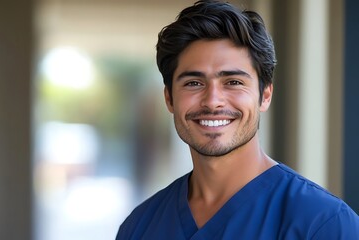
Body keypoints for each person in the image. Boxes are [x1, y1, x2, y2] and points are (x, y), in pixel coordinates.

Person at [116, 0, 359, 239]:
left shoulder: (325, 224)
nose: (212, 101)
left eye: (233, 82)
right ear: (169, 98)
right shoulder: (139, 227)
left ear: (265, 96)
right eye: (193, 83)